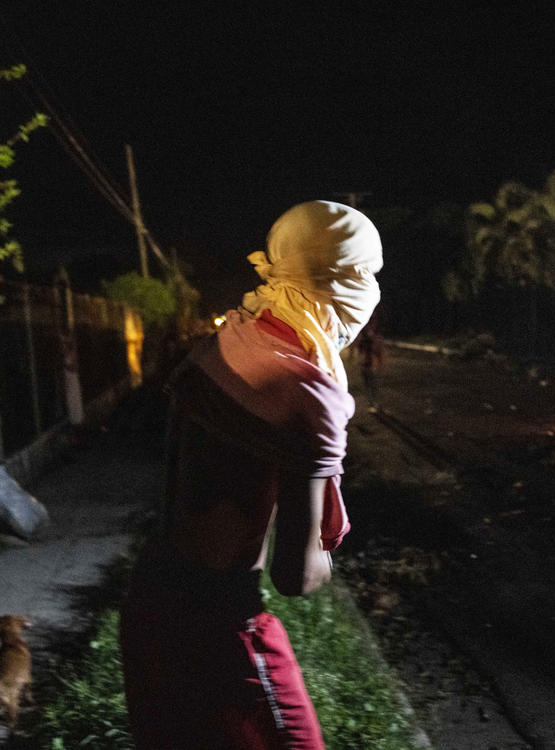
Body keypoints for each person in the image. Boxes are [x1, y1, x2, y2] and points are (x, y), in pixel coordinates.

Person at [119, 200, 383, 748]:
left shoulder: (227, 337)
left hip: (148, 603)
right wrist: (325, 553)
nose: (372, 292)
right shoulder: (308, 389)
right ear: (341, 280)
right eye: (367, 275)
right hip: (219, 628)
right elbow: (296, 576)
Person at [354, 308, 385, 412]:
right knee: (368, 385)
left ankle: (375, 403)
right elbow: (359, 349)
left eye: (372, 319)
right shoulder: (364, 336)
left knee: (374, 385)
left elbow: (379, 350)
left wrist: (380, 362)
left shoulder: (376, 335)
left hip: (373, 364)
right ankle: (372, 403)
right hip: (365, 364)